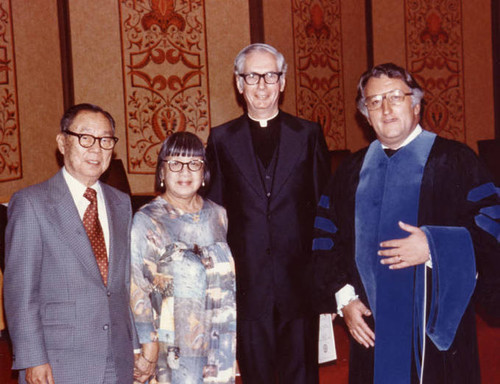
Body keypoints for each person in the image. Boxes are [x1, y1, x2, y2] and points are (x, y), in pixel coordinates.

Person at [310, 63, 500, 383]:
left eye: (395, 97)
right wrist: (344, 299)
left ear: (415, 104)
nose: (385, 108)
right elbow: (325, 239)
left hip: (437, 328)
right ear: (365, 115)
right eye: (374, 101)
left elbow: (492, 226)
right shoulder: (350, 172)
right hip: (371, 323)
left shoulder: (457, 161)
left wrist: (433, 246)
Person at [206, 43, 330, 383]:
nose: (261, 85)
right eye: (252, 76)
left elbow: (324, 211)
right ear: (239, 83)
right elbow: (214, 215)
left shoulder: (308, 135)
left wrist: (325, 278)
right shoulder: (221, 139)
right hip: (248, 284)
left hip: (299, 282)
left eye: (270, 76)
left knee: (302, 375)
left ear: (283, 82)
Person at [3, 103, 137, 384]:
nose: (96, 149)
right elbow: (20, 291)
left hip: (118, 357)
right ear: (63, 143)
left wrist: (135, 346)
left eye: (105, 140)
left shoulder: (121, 203)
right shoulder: (32, 203)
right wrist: (33, 358)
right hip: (59, 361)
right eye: (85, 138)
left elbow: (123, 286)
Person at [130, 132, 236, 384]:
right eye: (175, 163)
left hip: (219, 343)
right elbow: (138, 288)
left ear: (204, 173)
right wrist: (147, 346)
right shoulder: (148, 220)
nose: (184, 172)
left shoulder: (218, 215)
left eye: (194, 163)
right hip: (172, 349)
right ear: (162, 173)